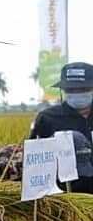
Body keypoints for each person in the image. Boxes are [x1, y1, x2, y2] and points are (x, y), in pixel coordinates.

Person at [30, 61, 93, 193]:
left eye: (83, 89)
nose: (77, 93)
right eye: (71, 90)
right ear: (63, 90)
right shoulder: (47, 118)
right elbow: (35, 163)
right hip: (65, 194)